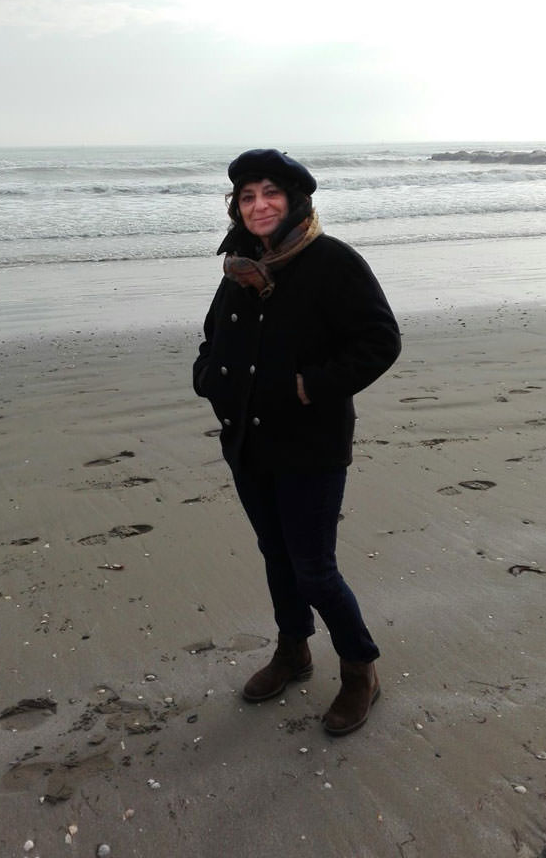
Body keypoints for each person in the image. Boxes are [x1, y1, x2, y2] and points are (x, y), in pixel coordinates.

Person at [193, 149, 401, 736]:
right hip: (248, 443)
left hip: (310, 446)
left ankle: (360, 668)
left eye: (270, 194)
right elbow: (212, 337)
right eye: (247, 196)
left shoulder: (332, 262)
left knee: (314, 569)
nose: (258, 205)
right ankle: (293, 651)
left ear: (294, 201)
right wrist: (208, 378)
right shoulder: (240, 267)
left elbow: (380, 340)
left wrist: (310, 387)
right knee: (276, 555)